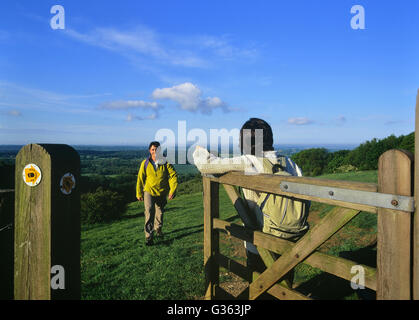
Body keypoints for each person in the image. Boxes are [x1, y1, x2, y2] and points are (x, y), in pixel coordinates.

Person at [192, 118, 308, 276]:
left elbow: (206, 166)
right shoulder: (289, 162)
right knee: (284, 284)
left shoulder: (250, 161)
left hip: (260, 241)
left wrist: (199, 150)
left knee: (259, 284)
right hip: (291, 238)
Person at [136, 141, 178, 246]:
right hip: (149, 191)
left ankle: (158, 229)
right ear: (150, 151)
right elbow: (140, 179)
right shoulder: (145, 163)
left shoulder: (166, 162)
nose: (155, 152)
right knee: (149, 212)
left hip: (162, 192)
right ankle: (149, 237)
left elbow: (173, 176)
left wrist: (173, 190)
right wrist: (139, 193)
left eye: (157, 149)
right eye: (153, 150)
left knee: (159, 212)